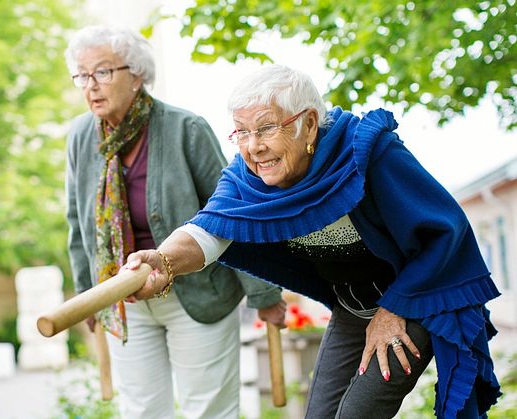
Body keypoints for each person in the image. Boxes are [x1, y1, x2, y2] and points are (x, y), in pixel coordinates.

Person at [125, 64, 502, 418]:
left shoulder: (368, 153)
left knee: (357, 414)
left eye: (267, 128)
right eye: (241, 131)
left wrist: (393, 310)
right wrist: (164, 261)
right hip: (352, 310)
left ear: (308, 124)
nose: (253, 146)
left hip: (416, 301)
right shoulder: (247, 176)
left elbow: (445, 231)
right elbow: (208, 229)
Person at [64, 26, 286, 419]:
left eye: (102, 72)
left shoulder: (185, 129)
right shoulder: (81, 136)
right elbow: (77, 222)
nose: (90, 86)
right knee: (142, 411)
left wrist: (264, 294)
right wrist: (89, 297)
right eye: (82, 75)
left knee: (209, 410)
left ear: (136, 75)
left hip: (196, 292)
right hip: (122, 295)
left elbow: (232, 212)